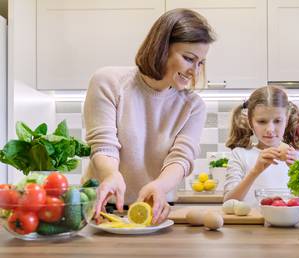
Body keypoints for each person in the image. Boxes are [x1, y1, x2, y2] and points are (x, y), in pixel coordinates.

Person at [82, 8, 215, 224]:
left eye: (201, 63)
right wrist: (110, 175)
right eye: (189, 59)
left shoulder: (193, 106)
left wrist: (160, 186)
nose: (195, 72)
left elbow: (181, 158)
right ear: (161, 48)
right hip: (104, 206)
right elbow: (104, 145)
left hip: (156, 208)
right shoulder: (108, 82)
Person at [223, 86, 299, 205]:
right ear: (250, 122)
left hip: (288, 223)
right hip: (250, 223)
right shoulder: (240, 155)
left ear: (286, 121)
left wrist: (298, 171)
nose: (270, 129)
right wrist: (255, 171)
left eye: (277, 121)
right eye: (262, 121)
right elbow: (228, 201)